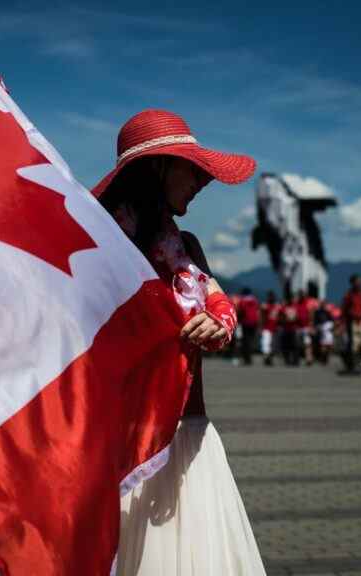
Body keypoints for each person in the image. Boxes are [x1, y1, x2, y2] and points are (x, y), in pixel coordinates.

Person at [93, 109, 265, 575]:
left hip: (188, 433)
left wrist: (220, 323)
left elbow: (218, 302)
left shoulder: (185, 247)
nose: (202, 181)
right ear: (159, 167)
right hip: (126, 442)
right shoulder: (101, 245)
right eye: (191, 167)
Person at [340, 274, 361, 375]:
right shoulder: (349, 295)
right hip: (352, 321)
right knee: (353, 344)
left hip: (360, 321)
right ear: (353, 283)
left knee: (359, 344)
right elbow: (344, 309)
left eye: (360, 281)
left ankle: (355, 365)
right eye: (358, 281)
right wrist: (342, 322)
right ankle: (353, 366)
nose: (360, 283)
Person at [237, 288, 260, 366]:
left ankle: (247, 358)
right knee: (251, 340)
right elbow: (257, 310)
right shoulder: (255, 300)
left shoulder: (242, 300)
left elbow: (241, 311)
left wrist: (238, 320)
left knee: (245, 341)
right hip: (254, 321)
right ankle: (249, 357)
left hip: (246, 322)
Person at [279, 293, 300, 366]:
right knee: (286, 345)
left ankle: (296, 361)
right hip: (286, 329)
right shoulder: (283, 307)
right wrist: (285, 320)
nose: (291, 300)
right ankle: (287, 360)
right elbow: (280, 318)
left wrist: (293, 319)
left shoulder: (295, 307)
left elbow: (298, 317)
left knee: (295, 345)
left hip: (293, 329)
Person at [260, 291, 280, 366]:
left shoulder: (277, 306)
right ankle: (266, 357)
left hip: (274, 328)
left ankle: (270, 357)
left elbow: (280, 316)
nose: (271, 298)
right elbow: (262, 317)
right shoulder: (265, 306)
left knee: (273, 344)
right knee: (266, 343)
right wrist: (261, 326)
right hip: (267, 328)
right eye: (270, 296)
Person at [295, 289, 314, 366]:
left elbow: (311, 316)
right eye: (300, 294)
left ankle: (309, 359)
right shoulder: (296, 303)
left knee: (307, 344)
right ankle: (297, 358)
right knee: (297, 344)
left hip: (306, 327)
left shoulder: (308, 303)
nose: (301, 295)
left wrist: (311, 327)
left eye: (302, 294)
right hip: (298, 327)